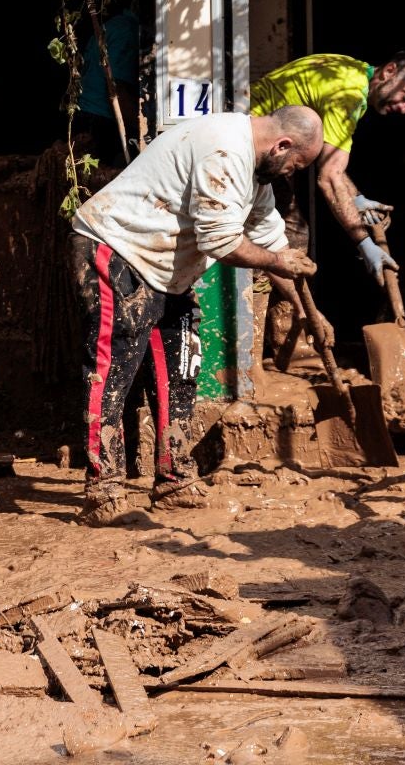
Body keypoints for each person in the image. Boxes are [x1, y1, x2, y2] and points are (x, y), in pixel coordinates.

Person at [69, 106, 322, 526]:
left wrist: (305, 308)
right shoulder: (225, 150)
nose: (290, 173)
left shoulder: (257, 172)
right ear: (282, 145)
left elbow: (270, 234)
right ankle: (103, 490)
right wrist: (279, 261)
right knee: (111, 371)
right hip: (117, 249)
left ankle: (174, 479)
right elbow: (221, 241)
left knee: (179, 367)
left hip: (164, 270)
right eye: (296, 164)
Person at [248, 52, 405, 369]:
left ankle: (288, 352)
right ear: (389, 71)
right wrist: (364, 243)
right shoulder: (347, 95)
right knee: (287, 243)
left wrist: (355, 198)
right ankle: (287, 356)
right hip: (259, 152)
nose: (404, 108)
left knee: (291, 237)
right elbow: (329, 179)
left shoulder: (347, 70)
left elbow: (332, 167)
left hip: (259, 140)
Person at [75, 8, 140, 160]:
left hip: (87, 113)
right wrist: (139, 129)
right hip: (100, 121)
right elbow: (117, 89)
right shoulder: (128, 31)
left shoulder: (113, 25)